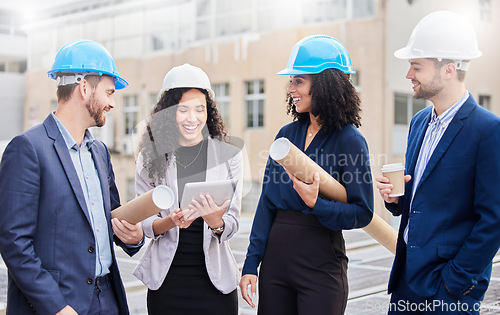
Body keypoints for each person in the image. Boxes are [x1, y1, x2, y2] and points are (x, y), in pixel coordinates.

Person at [0, 39, 144, 315]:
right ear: (84, 88)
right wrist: (57, 307)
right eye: (109, 93)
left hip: (107, 298)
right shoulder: (28, 149)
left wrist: (133, 237)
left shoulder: (99, 152)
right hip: (57, 305)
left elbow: (112, 217)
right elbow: (14, 242)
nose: (113, 104)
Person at [376, 11, 500, 314]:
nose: (409, 75)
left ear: (448, 70)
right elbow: (424, 200)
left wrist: (453, 284)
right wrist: (396, 200)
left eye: (416, 66)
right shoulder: (418, 123)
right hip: (406, 283)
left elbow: (493, 221)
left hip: (448, 293)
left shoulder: (488, 130)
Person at [239, 35, 374, 315]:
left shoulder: (350, 141)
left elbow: (362, 212)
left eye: (298, 81)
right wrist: (252, 263)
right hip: (275, 266)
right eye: (291, 81)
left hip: (321, 267)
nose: (290, 88)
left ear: (325, 84)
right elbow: (266, 203)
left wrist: (318, 204)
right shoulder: (286, 136)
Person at [132, 63, 243, 315]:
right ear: (169, 112)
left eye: (199, 109)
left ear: (209, 111)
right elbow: (145, 225)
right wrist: (170, 221)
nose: (192, 118)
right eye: (183, 109)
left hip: (215, 283)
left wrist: (217, 223)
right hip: (168, 282)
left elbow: (234, 220)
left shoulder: (229, 155)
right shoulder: (149, 157)